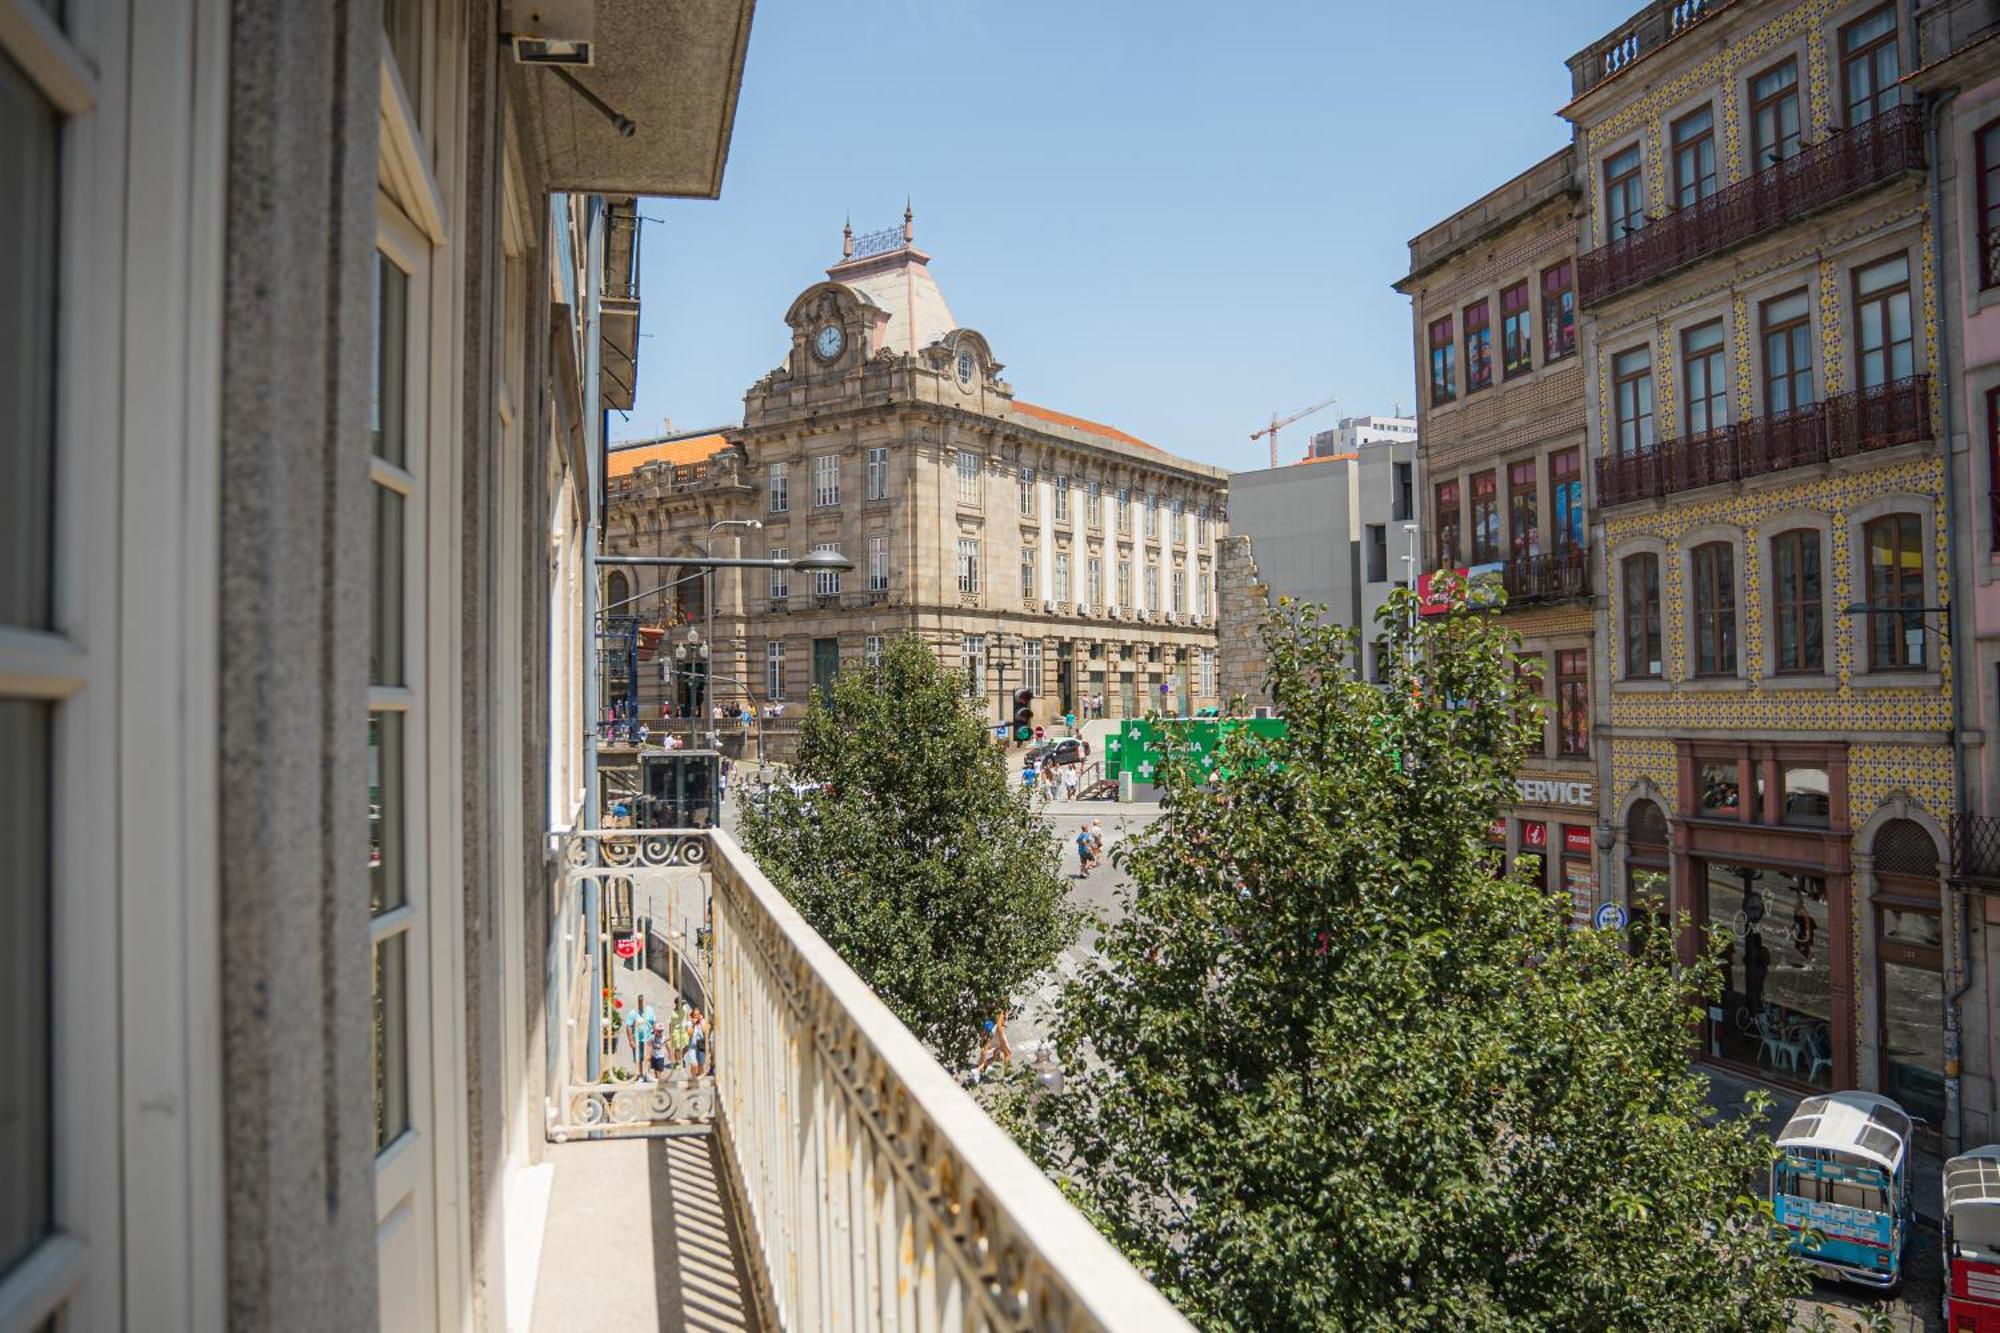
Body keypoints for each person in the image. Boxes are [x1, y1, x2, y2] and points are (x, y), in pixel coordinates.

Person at [976, 1009, 1013, 1076]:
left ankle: (980, 1069)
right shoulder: (1002, 1010)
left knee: (994, 1055)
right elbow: (999, 1025)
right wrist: (1002, 1038)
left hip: (995, 1032)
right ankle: (1007, 1074)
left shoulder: (1000, 1008)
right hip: (998, 1034)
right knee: (1008, 1053)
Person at [628, 995, 656, 1079]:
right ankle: (640, 1074)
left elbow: (654, 1022)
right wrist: (631, 1041)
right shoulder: (633, 1013)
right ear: (638, 1002)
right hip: (637, 1039)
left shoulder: (650, 1010)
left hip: (648, 1039)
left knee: (648, 1056)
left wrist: (654, 1034)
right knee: (639, 1058)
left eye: (643, 1002)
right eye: (640, 1002)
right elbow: (628, 1026)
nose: (641, 1004)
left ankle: (647, 1073)